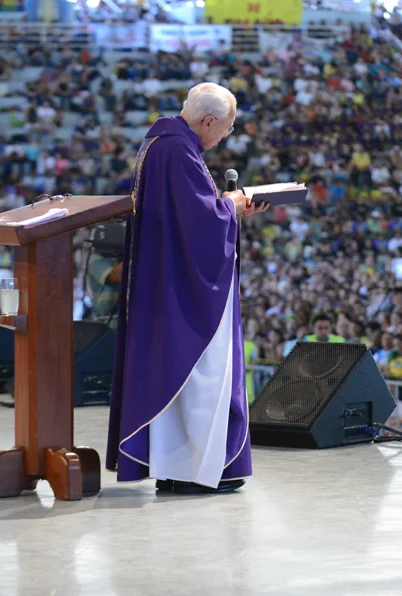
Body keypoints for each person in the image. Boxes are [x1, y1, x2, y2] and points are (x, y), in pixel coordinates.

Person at [106, 83, 269, 495]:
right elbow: (200, 221)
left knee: (181, 376)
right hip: (184, 288)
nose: (226, 136)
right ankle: (193, 470)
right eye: (227, 128)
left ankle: (180, 467)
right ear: (208, 121)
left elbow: (189, 215)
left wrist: (226, 207)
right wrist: (233, 204)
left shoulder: (162, 142)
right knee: (198, 374)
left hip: (166, 277)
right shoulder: (177, 149)